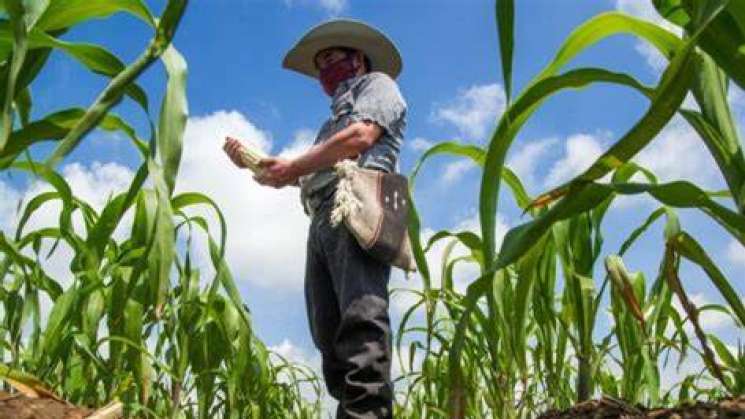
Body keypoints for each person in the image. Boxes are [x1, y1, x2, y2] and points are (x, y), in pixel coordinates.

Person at [223, 19, 406, 419]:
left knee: (361, 318)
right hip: (322, 218)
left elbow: (360, 138)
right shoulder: (328, 127)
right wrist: (263, 168)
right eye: (320, 65)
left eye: (332, 59)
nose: (325, 70)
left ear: (357, 59)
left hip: (357, 205)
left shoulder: (379, 86)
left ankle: (368, 414)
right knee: (328, 331)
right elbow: (305, 174)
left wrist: (292, 166)